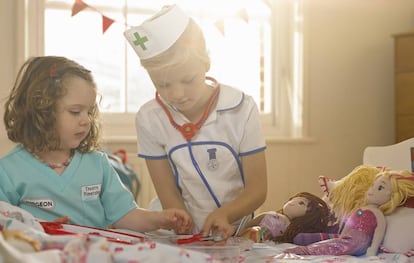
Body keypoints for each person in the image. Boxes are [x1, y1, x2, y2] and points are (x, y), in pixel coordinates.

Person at [0, 56, 191, 234]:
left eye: (90, 112)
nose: (86, 121)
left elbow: (125, 215)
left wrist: (159, 219)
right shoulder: (8, 171)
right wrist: (38, 230)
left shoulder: (97, 163)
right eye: (75, 112)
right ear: (41, 113)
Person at [124, 5, 268, 240]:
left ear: (205, 62)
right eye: (163, 84)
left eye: (188, 79)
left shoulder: (242, 108)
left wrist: (225, 214)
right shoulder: (150, 119)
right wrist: (182, 224)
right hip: (182, 234)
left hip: (237, 228)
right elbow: (167, 191)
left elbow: (257, 189)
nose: (177, 94)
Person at [284, 170, 414, 256]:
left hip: (360, 241)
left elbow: (379, 232)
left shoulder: (378, 214)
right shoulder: (361, 209)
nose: (372, 190)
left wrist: (373, 249)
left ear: (390, 195)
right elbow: (348, 225)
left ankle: (306, 251)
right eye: (373, 185)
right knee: (333, 244)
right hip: (347, 238)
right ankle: (305, 250)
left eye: (380, 187)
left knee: (336, 247)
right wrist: (341, 236)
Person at [239, 192, 330, 243]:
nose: (292, 202)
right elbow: (252, 223)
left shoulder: (293, 229)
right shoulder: (272, 215)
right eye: (292, 199)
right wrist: (240, 232)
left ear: (309, 216)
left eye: (301, 203)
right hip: (250, 237)